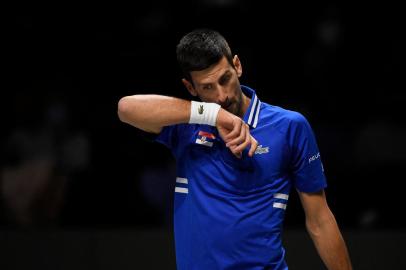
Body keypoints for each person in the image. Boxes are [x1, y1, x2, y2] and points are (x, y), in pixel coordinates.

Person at [117, 28, 352, 270]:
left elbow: (320, 221)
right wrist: (212, 114)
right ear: (190, 88)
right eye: (207, 87)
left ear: (237, 66)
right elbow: (126, 109)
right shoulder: (186, 125)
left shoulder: (290, 126)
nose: (221, 95)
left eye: (225, 79)